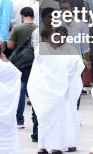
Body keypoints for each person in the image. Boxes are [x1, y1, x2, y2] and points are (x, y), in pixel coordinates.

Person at [27, 26, 84, 154]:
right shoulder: (43, 50)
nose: (58, 38)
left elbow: (75, 68)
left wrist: (65, 82)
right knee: (48, 118)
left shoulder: (65, 50)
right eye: (55, 35)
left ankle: (56, 145)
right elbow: (46, 70)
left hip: (62, 88)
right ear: (47, 38)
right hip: (48, 90)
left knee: (56, 118)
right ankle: (47, 146)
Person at [7, 6, 37, 128]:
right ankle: (36, 118)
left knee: (21, 89)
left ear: (22, 16)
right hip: (34, 61)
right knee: (34, 91)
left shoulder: (17, 28)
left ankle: (19, 120)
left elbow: (10, 46)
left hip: (20, 62)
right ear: (33, 17)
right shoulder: (38, 28)